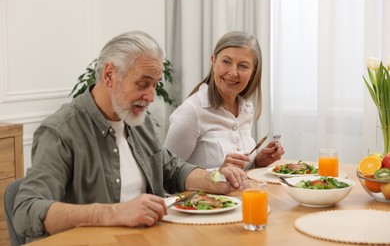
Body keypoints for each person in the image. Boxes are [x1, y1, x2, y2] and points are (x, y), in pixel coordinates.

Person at [13, 31, 246, 241]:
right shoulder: (60, 132)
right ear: (109, 74)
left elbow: (172, 169)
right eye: (143, 84)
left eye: (155, 85)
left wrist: (216, 179)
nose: (151, 96)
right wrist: (113, 212)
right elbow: (26, 211)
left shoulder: (136, 121)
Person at [164, 31, 284, 170]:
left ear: (253, 72)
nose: (233, 73)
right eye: (226, 62)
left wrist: (257, 162)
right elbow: (167, 174)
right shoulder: (191, 111)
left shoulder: (246, 108)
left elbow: (239, 171)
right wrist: (218, 173)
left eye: (243, 66)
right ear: (214, 61)